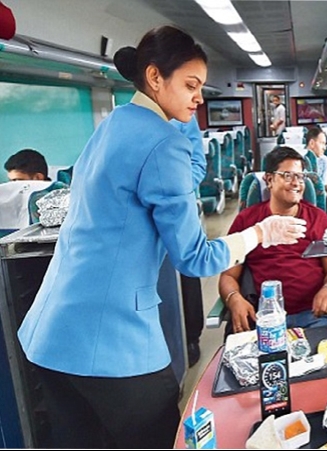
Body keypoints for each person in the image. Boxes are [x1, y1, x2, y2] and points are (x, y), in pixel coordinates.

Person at [16, 25, 306, 450]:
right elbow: (195, 259)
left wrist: (180, 121)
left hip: (51, 334)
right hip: (111, 339)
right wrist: (259, 232)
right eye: (191, 85)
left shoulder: (114, 123)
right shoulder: (162, 142)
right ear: (155, 77)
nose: (199, 98)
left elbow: (180, 179)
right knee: (158, 436)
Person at [219, 146, 327, 335]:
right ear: (269, 180)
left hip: (313, 316)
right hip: (263, 318)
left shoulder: (318, 218)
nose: (296, 183)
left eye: (300, 177)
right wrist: (234, 299)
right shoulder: (247, 220)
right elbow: (228, 276)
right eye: (287, 175)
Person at [170, 114, 207, 368]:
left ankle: (191, 336)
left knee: (188, 265)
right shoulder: (126, 121)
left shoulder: (185, 119)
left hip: (180, 203)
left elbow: (197, 163)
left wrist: (178, 189)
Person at [306, 126, 327, 217]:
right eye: (322, 143)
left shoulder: (324, 160)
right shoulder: (299, 160)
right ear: (312, 143)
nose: (325, 148)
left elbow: (325, 187)